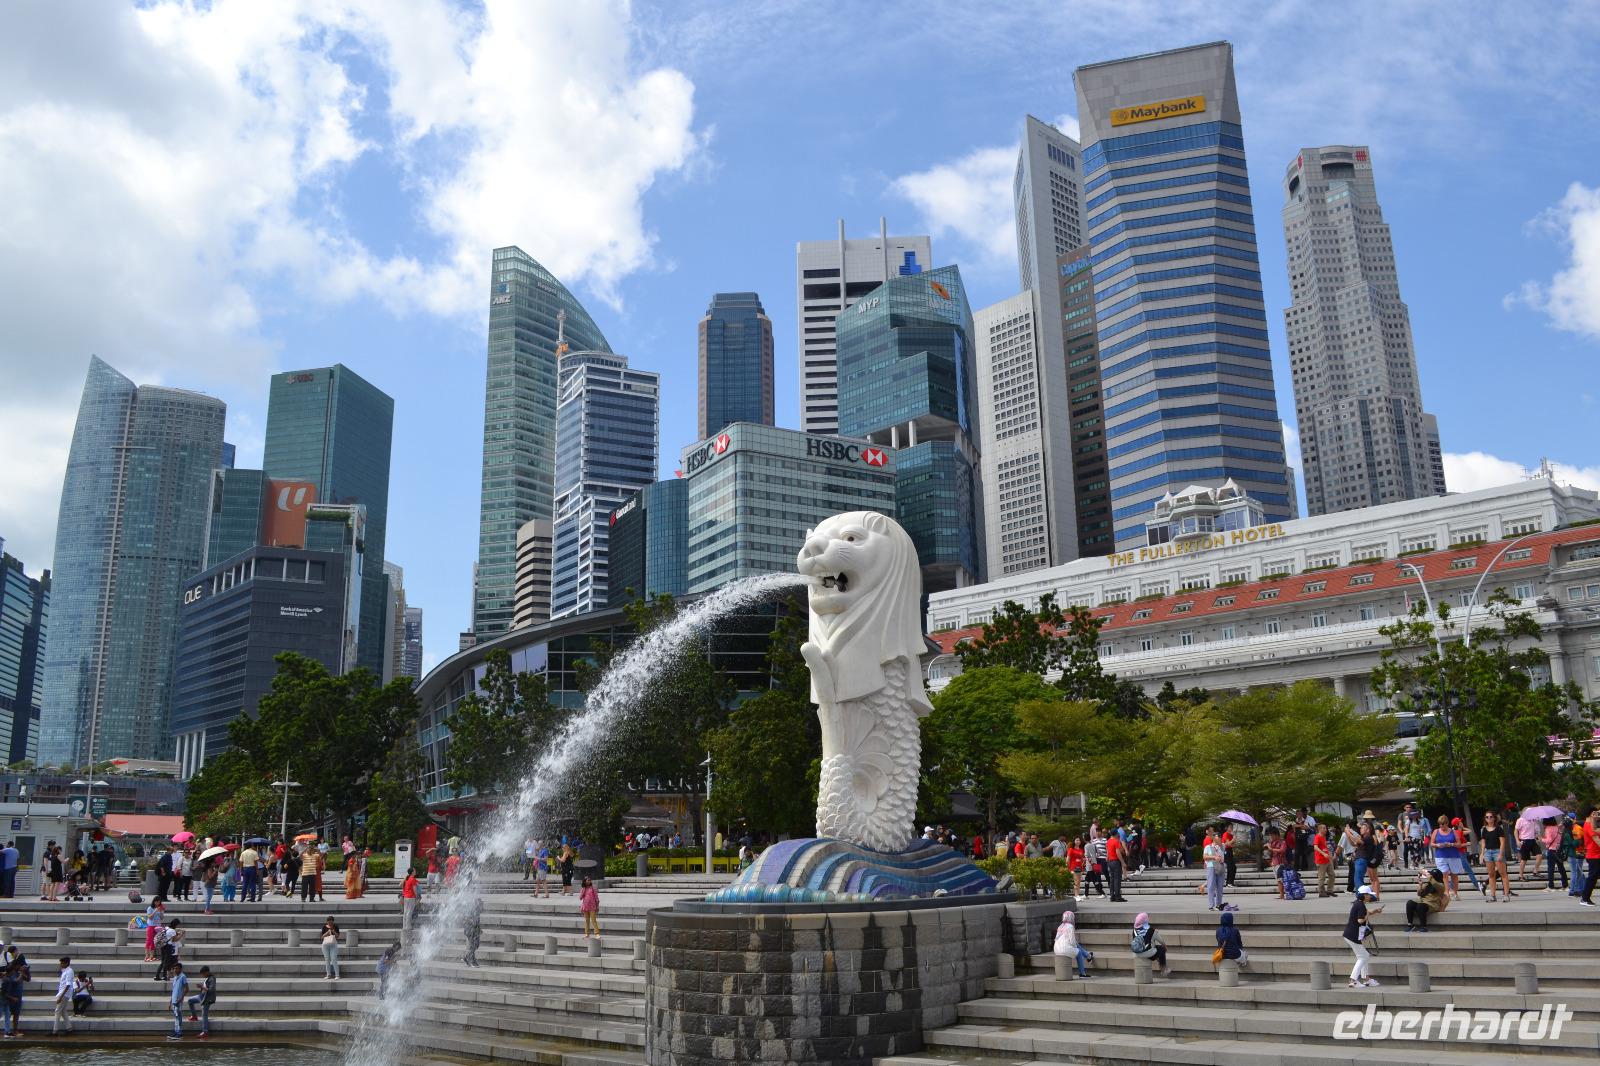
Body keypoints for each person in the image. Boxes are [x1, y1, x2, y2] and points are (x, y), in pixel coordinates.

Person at [1342, 884, 1383, 987]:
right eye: (1369, 895)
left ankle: (1366, 979)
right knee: (1363, 957)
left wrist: (1374, 911)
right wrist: (1368, 914)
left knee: (1364, 956)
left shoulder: (1358, 903)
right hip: (1353, 936)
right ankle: (1353, 980)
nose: (1370, 896)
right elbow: (1360, 920)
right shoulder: (1360, 905)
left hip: (1350, 935)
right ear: (1365, 895)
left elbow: (1364, 913)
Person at [1430, 818, 1466, 899]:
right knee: (1444, 874)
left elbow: (1459, 844)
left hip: (1453, 856)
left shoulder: (1453, 831)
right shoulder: (1436, 831)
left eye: (1443, 824)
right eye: (1440, 824)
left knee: (1454, 875)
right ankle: (1447, 892)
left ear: (1447, 823)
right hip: (1440, 856)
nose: (1441, 826)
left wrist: (1451, 844)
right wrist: (1438, 845)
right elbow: (1431, 844)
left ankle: (1455, 893)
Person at [1479, 810, 1510, 901]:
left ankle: (1506, 894)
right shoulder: (1484, 829)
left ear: (1494, 818)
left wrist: (1501, 853)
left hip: (1497, 851)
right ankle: (1493, 895)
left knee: (1503, 873)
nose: (1489, 818)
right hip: (1488, 852)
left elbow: (1502, 842)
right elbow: (1483, 843)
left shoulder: (1498, 828)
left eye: (1491, 817)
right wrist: (1482, 854)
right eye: (1487, 817)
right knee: (1491, 874)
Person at [1053, 910, 1093, 979]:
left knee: (1076, 945)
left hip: (1056, 949)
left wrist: (1075, 945)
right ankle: (1082, 973)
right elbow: (1072, 941)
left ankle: (1088, 956)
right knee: (1079, 952)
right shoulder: (1070, 927)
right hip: (1065, 949)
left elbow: (1057, 938)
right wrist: (1076, 947)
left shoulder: (1060, 926)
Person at [1129, 912, 1169, 977]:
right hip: (1148, 954)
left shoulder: (1134, 931)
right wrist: (1165, 947)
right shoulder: (1151, 930)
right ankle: (1163, 969)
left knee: (1154, 948)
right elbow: (1161, 941)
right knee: (1162, 949)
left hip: (1137, 953)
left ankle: (1158, 959)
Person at [185, 965, 215, 1038]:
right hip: (201, 996)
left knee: (204, 1015)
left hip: (207, 999)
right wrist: (202, 987)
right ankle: (194, 1016)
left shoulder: (212, 979)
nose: (202, 975)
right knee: (190, 1000)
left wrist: (202, 987)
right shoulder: (208, 978)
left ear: (207, 972)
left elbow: (211, 990)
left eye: (203, 974)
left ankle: (205, 1032)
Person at [1578, 808, 1600, 907]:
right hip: (1594, 856)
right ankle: (1585, 898)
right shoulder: (1588, 825)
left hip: (1594, 855)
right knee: (1592, 878)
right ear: (1592, 814)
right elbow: (1597, 840)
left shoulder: (1590, 825)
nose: (1598, 815)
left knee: (1592, 878)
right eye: (1597, 813)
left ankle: (1585, 898)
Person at [1514, 807, 1541, 884]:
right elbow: (1515, 831)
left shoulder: (1533, 820)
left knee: (1539, 855)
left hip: (1532, 840)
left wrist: (1537, 836)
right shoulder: (1520, 820)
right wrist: (1517, 840)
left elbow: (1536, 831)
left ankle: (1535, 871)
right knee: (1524, 859)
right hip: (1524, 841)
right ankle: (1521, 876)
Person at [1203, 829, 1226, 911]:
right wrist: (1214, 857)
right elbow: (1205, 857)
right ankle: (1211, 905)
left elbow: (1222, 846)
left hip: (1220, 867)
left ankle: (1218, 904)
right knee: (1211, 886)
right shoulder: (1208, 847)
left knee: (1220, 887)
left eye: (1219, 837)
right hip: (1211, 867)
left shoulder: (1222, 846)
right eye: (1216, 837)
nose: (1217, 838)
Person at [1544, 818, 1568, 892]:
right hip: (1558, 850)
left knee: (1551, 869)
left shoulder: (1548, 829)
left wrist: (1541, 839)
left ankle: (1551, 886)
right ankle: (1565, 885)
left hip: (1551, 850)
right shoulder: (1557, 828)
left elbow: (1549, 840)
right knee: (1561, 868)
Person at [167, 961, 189, 1040]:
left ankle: (179, 1033)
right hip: (174, 1000)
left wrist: (180, 998)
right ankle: (176, 1031)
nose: (175, 970)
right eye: (174, 968)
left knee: (178, 1016)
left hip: (178, 1001)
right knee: (176, 1016)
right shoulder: (175, 977)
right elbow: (173, 990)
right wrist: (170, 1002)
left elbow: (187, 989)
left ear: (180, 969)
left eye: (177, 968)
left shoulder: (183, 976)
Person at [52, 957, 74, 1035]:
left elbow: (68, 985)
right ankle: (69, 1029)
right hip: (64, 993)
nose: (61, 965)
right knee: (63, 1011)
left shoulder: (69, 971)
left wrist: (61, 997)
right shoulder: (66, 970)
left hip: (64, 994)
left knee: (57, 1011)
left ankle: (55, 1031)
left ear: (67, 963)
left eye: (62, 963)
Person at [1104, 829, 1127, 902]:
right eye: (1118, 833)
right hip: (1116, 861)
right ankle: (1118, 896)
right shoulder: (1116, 841)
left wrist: (1107, 859)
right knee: (1117, 879)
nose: (1118, 835)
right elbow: (1118, 853)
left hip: (1110, 861)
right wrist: (1123, 862)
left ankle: (1112, 896)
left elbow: (1107, 852)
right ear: (1116, 834)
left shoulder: (1108, 841)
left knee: (1112, 879)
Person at [1313, 823, 1336, 898]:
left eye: (1326, 828)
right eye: (1324, 828)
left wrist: (1329, 855)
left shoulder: (1324, 837)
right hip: (1321, 860)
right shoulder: (1317, 836)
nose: (1326, 830)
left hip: (1327, 859)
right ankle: (1321, 892)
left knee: (1332, 875)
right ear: (1320, 829)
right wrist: (1323, 854)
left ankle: (1329, 890)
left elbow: (1324, 847)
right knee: (1322, 877)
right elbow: (1315, 847)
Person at [1, 960, 22, 1037]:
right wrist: (13, 998)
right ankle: (7, 1032)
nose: (14, 972)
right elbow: (3, 993)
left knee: (7, 1015)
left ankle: (7, 1032)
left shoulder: (7, 978)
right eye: (13, 971)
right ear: (10, 972)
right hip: (2, 1001)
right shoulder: (6, 980)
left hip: (6, 1001)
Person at [464, 898, 483, 967]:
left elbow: (477, 921)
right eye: (481, 904)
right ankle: (472, 960)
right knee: (473, 946)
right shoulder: (472, 910)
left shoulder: (477, 911)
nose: (482, 905)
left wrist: (479, 929)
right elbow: (466, 918)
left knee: (476, 945)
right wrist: (472, 922)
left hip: (475, 931)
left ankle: (467, 958)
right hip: (470, 931)